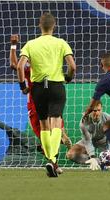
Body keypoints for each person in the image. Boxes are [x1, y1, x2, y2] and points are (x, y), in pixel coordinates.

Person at [17, 12, 76, 177]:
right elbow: (72, 65)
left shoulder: (30, 44)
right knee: (56, 123)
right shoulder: (61, 43)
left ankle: (50, 161)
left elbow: (20, 66)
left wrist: (23, 86)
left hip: (37, 89)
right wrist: (68, 78)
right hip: (56, 86)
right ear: (54, 26)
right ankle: (52, 159)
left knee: (44, 125)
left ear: (39, 26)